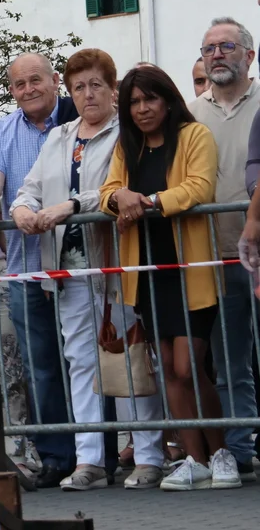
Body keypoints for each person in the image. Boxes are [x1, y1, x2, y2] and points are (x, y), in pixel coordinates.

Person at [12, 49, 164, 491]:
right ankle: (91, 460)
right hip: (69, 267)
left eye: (96, 84)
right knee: (80, 361)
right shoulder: (59, 137)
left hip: (117, 260)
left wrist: (70, 206)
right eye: (79, 86)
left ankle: (149, 456)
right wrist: (23, 211)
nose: (88, 94)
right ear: (70, 91)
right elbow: (30, 188)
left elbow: (119, 190)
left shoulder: (126, 133)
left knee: (131, 355)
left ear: (112, 89)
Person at [100, 64, 238, 491]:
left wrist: (147, 201)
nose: (142, 109)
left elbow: (199, 188)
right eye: (134, 102)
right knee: (169, 372)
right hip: (147, 274)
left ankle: (222, 453)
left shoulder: (195, 135)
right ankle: (195, 459)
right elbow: (107, 194)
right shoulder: (128, 146)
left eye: (150, 99)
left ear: (168, 100)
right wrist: (120, 196)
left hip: (191, 270)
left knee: (188, 366)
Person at [0, 53, 79, 487]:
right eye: (19, 84)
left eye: (35, 80)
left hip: (80, 265)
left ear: (55, 80)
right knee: (40, 365)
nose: (28, 90)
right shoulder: (0, 131)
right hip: (27, 268)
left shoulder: (78, 119)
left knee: (87, 361)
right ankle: (56, 456)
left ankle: (101, 453)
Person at [188, 18, 259, 481]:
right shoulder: (190, 113)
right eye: (209, 48)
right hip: (217, 253)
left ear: (249, 56)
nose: (216, 54)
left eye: (226, 46)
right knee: (231, 360)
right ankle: (241, 447)